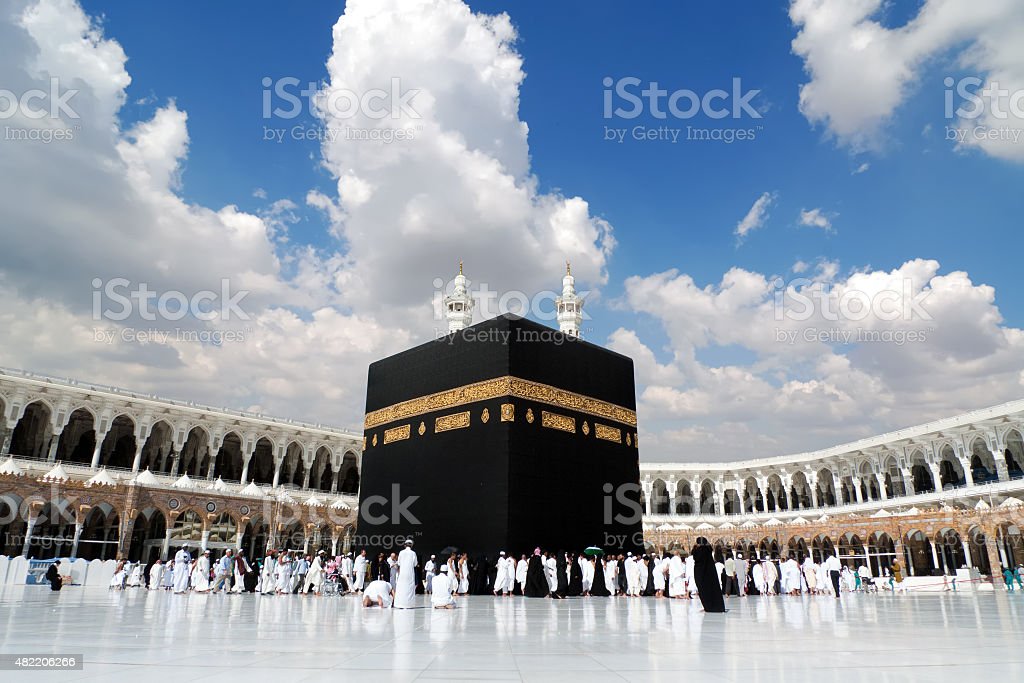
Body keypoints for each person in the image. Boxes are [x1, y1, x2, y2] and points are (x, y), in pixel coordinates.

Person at [690, 538, 726, 612]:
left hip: (701, 574)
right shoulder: (708, 550)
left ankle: (708, 607)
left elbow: (695, 556)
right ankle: (715, 606)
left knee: (703, 591)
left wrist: (695, 547)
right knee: (712, 589)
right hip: (710, 574)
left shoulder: (699, 551)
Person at [394, 539, 418, 608]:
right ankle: (408, 605)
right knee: (409, 588)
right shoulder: (413, 553)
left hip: (402, 573)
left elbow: (399, 563)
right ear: (411, 545)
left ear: (405, 545)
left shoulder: (401, 552)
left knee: (401, 588)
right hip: (410, 573)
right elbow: (415, 564)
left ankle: (400, 604)